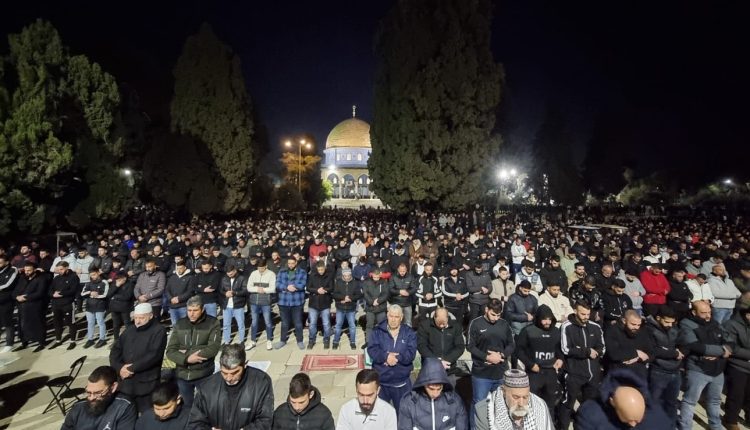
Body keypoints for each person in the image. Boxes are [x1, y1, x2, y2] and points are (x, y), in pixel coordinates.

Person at [189, 344, 274, 429]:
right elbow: (195, 422)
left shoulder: (261, 382)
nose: (229, 378)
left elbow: (265, 420)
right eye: (224, 373)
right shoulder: (207, 387)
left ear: (245, 364)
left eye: (234, 373)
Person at [677, 300, 732, 430]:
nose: (708, 315)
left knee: (715, 401)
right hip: (698, 369)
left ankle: (716, 426)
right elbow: (695, 346)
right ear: (694, 312)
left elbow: (730, 341)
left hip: (717, 370)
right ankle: (685, 427)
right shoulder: (686, 324)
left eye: (709, 312)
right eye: (703, 313)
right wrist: (722, 351)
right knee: (690, 401)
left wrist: (723, 351)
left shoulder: (714, 322)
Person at [110, 303, 168, 413]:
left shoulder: (159, 330)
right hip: (126, 383)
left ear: (150, 316)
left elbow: (154, 355)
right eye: (136, 317)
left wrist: (131, 369)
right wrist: (120, 367)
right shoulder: (129, 330)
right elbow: (115, 351)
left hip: (146, 383)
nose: (138, 321)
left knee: (147, 415)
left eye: (141, 318)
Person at [165, 295, 221, 409]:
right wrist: (186, 359)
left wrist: (185, 353)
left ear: (202, 309)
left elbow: (213, 348)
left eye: (195, 310)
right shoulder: (180, 324)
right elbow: (170, 351)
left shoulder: (212, 323)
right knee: (187, 407)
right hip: (182, 374)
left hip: (203, 373)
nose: (192, 313)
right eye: (189, 310)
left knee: (207, 404)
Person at [467, 298, 515, 428]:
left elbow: (511, 344)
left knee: (500, 404)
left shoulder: (504, 324)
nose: (495, 318)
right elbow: (470, 346)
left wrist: (502, 355)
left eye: (498, 315)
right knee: (478, 404)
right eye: (493, 314)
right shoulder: (475, 323)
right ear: (486, 310)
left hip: (500, 373)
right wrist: (487, 357)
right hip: (481, 374)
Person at [558, 300, 605, 430]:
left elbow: (602, 348)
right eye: (583, 314)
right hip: (574, 373)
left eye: (588, 314)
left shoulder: (595, 327)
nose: (586, 317)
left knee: (589, 405)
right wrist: (587, 351)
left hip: (592, 374)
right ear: (575, 311)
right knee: (568, 404)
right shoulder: (567, 326)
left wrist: (592, 351)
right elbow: (566, 349)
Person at [574, 368, 672, 430]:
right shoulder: (590, 415)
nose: (633, 425)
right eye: (630, 419)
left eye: (638, 420)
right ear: (613, 403)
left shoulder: (657, 414)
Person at [367, 304, 417, 412]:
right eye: (391, 316)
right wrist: (386, 356)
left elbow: (411, 354)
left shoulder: (409, 333)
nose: (393, 320)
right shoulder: (377, 331)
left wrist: (396, 357)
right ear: (387, 315)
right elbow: (372, 349)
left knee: (403, 414)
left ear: (401, 317)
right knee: (380, 415)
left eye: (396, 317)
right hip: (382, 382)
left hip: (401, 383)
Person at [515, 305, 563, 418]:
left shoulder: (556, 331)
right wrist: (530, 364)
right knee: (532, 404)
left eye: (549, 319)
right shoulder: (528, 331)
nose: (547, 322)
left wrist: (560, 359)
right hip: (534, 372)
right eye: (544, 319)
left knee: (550, 404)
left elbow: (559, 349)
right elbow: (519, 350)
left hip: (551, 372)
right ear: (538, 318)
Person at [397, 357, 468, 430]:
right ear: (423, 384)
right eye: (431, 389)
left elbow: (462, 426)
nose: (435, 394)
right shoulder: (409, 402)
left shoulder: (455, 401)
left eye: (439, 388)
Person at [473, 369, 554, 430]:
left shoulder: (540, 406)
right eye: (516, 397)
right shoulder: (484, 412)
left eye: (525, 397)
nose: (521, 403)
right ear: (504, 392)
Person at [61, 365, 137, 430]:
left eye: (98, 393)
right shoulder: (78, 408)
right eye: (88, 392)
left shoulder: (124, 407)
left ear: (113, 387)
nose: (91, 398)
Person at [644, 306, 683, 426]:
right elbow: (654, 350)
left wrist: (679, 351)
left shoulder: (674, 329)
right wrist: (674, 353)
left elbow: (684, 344)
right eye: (667, 322)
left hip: (675, 371)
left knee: (671, 403)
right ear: (658, 318)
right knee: (653, 403)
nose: (670, 325)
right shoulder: (648, 329)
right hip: (658, 371)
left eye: (672, 322)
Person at [721, 300, 750, 430]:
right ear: (748, 315)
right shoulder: (731, 325)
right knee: (736, 394)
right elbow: (731, 347)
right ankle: (730, 420)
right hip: (737, 365)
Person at [603, 310, 653, 380]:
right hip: (618, 374)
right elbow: (613, 354)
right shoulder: (612, 330)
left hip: (638, 374)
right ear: (624, 321)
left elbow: (651, 354)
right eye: (633, 324)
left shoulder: (642, 332)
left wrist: (637, 358)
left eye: (638, 325)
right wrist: (637, 353)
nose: (636, 327)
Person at [417, 307, 466, 379]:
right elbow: (421, 345)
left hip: (449, 367)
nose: (441, 326)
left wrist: (447, 360)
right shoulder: (425, 326)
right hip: (430, 368)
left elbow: (460, 346)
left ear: (447, 318)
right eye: (439, 323)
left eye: (444, 323)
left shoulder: (456, 326)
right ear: (434, 317)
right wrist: (437, 361)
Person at [13, 262, 48, 351]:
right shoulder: (22, 278)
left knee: (38, 324)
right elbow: (15, 291)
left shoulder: (41, 279)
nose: (27, 272)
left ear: (34, 270)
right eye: (25, 270)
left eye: (29, 270)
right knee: (22, 325)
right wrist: (16, 297)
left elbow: (40, 293)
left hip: (35, 306)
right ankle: (24, 342)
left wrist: (25, 297)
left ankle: (41, 342)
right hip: (22, 306)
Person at [275, 256, 308, 350]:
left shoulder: (302, 272)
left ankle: (300, 341)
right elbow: (277, 284)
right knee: (285, 323)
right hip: (283, 301)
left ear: (296, 263)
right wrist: (286, 287)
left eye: (292, 263)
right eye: (289, 263)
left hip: (297, 301)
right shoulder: (282, 271)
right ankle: (282, 340)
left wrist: (294, 287)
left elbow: (303, 284)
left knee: (298, 322)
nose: (290, 265)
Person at [48, 261, 80, 350]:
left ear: (67, 267)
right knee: (57, 323)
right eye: (58, 270)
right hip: (56, 304)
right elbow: (50, 289)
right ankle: (58, 340)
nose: (60, 271)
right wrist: (52, 294)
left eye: (61, 269)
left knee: (70, 322)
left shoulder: (73, 277)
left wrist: (61, 293)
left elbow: (73, 290)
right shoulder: (56, 278)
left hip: (68, 303)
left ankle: (72, 341)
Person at [246, 258, 276, 350]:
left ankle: (269, 340)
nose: (260, 270)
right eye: (259, 268)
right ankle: (253, 340)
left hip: (266, 302)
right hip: (254, 302)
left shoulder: (271, 274)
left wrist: (263, 290)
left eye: (262, 268)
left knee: (267, 321)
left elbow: (272, 289)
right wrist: (257, 289)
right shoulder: (253, 273)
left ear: (266, 266)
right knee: (254, 322)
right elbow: (249, 287)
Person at [306, 260, 334, 349]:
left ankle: (326, 340)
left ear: (324, 268)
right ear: (317, 269)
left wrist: (324, 290)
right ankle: (311, 340)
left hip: (325, 303)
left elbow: (332, 287)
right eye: (319, 270)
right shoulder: (312, 276)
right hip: (313, 303)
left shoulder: (329, 276)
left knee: (326, 323)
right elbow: (308, 288)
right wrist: (317, 290)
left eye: (322, 269)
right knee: (312, 323)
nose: (321, 271)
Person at [332, 268, 363, 349]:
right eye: (345, 276)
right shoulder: (338, 282)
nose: (347, 277)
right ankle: (335, 341)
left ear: (351, 275)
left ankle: (352, 342)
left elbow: (359, 295)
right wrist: (342, 298)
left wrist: (350, 298)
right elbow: (334, 294)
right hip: (340, 307)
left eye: (348, 275)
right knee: (338, 325)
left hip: (351, 308)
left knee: (352, 325)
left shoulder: (355, 283)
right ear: (343, 275)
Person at [81, 268, 110, 349]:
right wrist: (90, 293)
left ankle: (102, 339)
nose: (92, 276)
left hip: (100, 305)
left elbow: (105, 294)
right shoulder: (88, 283)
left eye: (94, 274)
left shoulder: (104, 282)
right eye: (91, 275)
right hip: (89, 306)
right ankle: (90, 339)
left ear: (98, 273)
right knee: (90, 323)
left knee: (100, 322)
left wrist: (97, 295)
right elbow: (82, 293)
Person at [220, 264, 248, 345]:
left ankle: (241, 341)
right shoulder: (224, 279)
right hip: (227, 305)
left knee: (241, 324)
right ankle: (226, 341)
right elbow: (220, 290)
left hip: (238, 305)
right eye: (228, 273)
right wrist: (225, 293)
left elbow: (245, 290)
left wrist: (235, 293)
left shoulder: (242, 278)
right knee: (226, 324)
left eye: (231, 273)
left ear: (235, 271)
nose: (229, 275)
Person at [362, 267, 389, 347]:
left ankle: (383, 341)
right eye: (374, 277)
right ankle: (368, 342)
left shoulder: (384, 282)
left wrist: (378, 301)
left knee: (382, 325)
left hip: (381, 307)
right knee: (369, 325)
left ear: (380, 275)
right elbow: (365, 293)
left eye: (377, 277)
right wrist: (371, 302)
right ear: (372, 275)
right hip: (370, 307)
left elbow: (386, 293)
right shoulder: (367, 282)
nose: (376, 279)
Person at [0, 254, 19, 353]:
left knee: (8, 322)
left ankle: (9, 343)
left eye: (0, 263)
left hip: (7, 300)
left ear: (6, 262)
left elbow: (8, 284)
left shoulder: (13, 269)